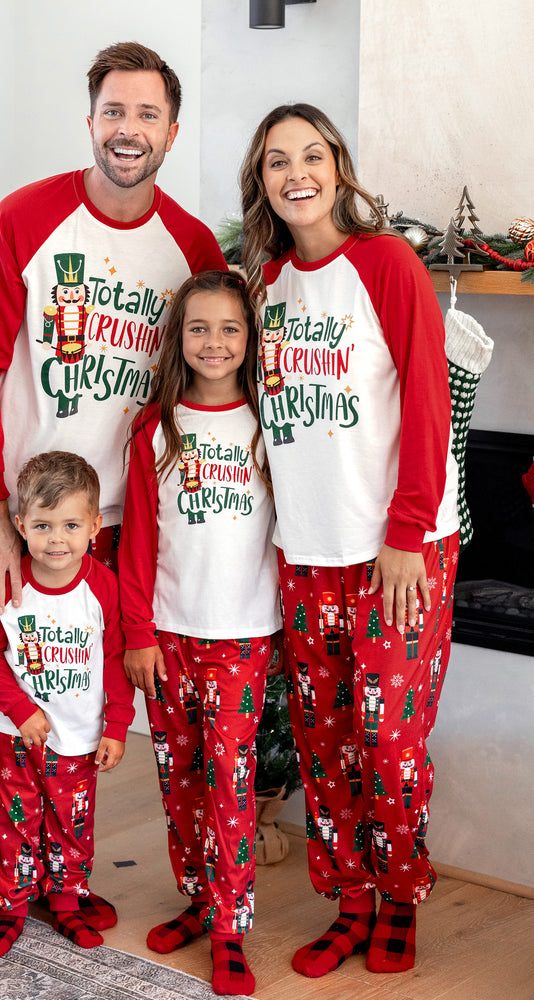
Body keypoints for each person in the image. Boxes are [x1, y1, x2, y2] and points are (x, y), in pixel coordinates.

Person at [0, 41, 226, 978]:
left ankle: (48, 882)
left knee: (68, 706)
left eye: (148, 114)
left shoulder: (191, 248)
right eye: (113, 112)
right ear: (91, 121)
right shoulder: (25, 218)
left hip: (100, 526)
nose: (129, 131)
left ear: (170, 129)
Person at [239, 104, 460, 977]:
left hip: (397, 552)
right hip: (307, 551)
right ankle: (351, 900)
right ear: (261, 182)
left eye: (311, 156)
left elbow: (431, 400)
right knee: (325, 738)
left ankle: (400, 894)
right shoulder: (265, 285)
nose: (296, 174)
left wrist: (407, 531)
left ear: (338, 166)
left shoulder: (386, 263)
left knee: (389, 744)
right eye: (275, 162)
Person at [119, 270, 282, 996]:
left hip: (241, 633)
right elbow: (137, 545)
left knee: (229, 782)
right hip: (169, 633)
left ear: (249, 339)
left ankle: (229, 924)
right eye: (199, 329)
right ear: (177, 339)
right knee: (178, 781)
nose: (214, 343)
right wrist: (138, 633)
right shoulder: (156, 428)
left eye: (229, 329)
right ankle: (197, 896)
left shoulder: (269, 425)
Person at [0, 452, 134, 957]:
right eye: (42, 525)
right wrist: (21, 710)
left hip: (80, 735)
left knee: (71, 819)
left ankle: (65, 901)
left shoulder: (101, 588)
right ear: (20, 525)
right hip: (18, 735)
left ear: (94, 526)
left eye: (69, 525)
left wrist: (117, 726)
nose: (56, 539)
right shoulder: (12, 584)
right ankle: (12, 906)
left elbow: (115, 659)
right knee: (17, 818)